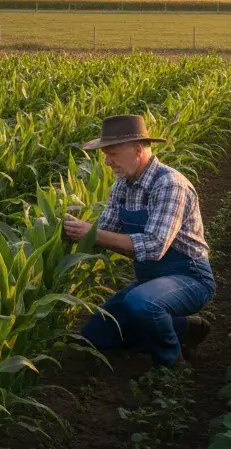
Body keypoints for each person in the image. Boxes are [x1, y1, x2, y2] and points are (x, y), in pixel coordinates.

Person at [62, 114, 214, 367]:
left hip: (189, 277)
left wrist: (91, 233)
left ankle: (171, 361)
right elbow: (106, 230)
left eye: (112, 154)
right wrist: (70, 225)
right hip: (150, 279)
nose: (107, 161)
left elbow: (154, 247)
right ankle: (185, 329)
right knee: (95, 337)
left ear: (138, 149)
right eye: (105, 155)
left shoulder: (170, 185)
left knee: (141, 304)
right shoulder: (122, 186)